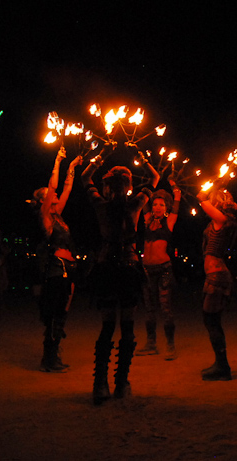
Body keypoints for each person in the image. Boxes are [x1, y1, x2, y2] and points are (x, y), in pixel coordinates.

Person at [81, 152, 152, 404]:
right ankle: (121, 384)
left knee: (108, 325)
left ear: (107, 186)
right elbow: (154, 178)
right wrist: (143, 160)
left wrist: (97, 159)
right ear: (129, 185)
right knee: (128, 325)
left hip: (106, 268)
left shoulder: (100, 204)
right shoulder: (135, 205)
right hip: (129, 267)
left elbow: (84, 178)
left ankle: (100, 384)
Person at [33, 147, 81, 373]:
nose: (52, 195)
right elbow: (54, 186)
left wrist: (71, 167)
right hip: (56, 268)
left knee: (63, 312)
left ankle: (54, 354)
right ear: (43, 200)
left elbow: (67, 188)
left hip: (70, 268)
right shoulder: (46, 218)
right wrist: (57, 161)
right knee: (54, 312)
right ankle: (48, 359)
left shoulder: (58, 215)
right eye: (48, 195)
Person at [196, 185, 237, 381]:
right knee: (212, 321)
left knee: (210, 320)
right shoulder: (217, 221)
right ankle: (221, 364)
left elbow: (201, 200)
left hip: (217, 277)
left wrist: (205, 191)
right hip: (214, 276)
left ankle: (223, 367)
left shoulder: (223, 220)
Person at [137, 178, 182, 360]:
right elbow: (144, 201)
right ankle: (151, 344)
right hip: (147, 270)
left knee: (165, 309)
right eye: (155, 204)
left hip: (163, 270)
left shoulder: (169, 221)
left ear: (166, 207)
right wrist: (151, 182)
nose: (156, 207)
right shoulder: (147, 220)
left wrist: (174, 186)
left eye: (161, 205)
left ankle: (170, 345)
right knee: (149, 309)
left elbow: (177, 200)